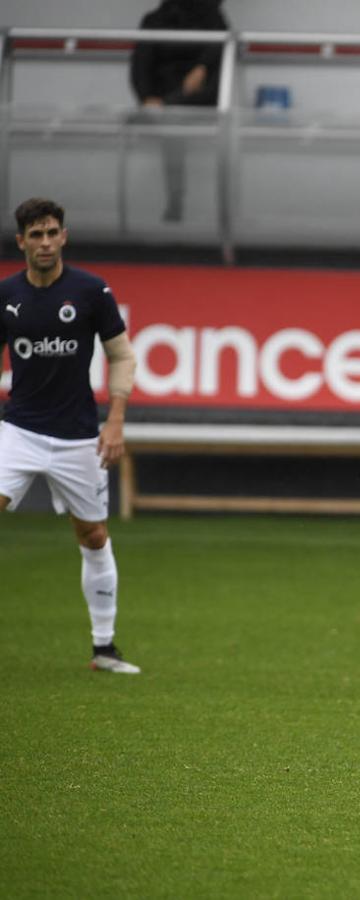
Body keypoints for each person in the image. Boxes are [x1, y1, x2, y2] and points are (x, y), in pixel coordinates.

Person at [0, 198, 140, 673]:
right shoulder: (6, 295)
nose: (44, 242)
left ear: (64, 236)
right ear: (21, 241)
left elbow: (121, 355)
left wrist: (115, 418)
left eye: (52, 233)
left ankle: (104, 647)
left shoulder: (90, 291)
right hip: (18, 429)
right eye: (35, 235)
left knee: (94, 535)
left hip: (79, 436)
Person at [130, 0, 230, 222]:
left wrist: (201, 68)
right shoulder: (155, 20)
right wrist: (147, 98)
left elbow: (220, 49)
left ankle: (178, 201)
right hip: (164, 97)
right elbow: (141, 65)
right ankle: (176, 200)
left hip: (201, 96)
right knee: (171, 123)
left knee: (172, 121)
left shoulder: (212, 16)